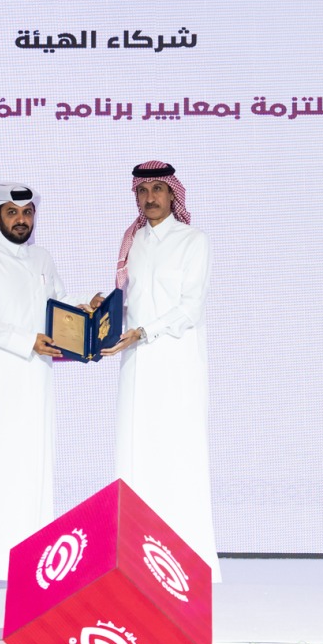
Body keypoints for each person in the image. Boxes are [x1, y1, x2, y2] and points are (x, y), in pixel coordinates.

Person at [0, 182, 96, 592]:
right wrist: (25, 340)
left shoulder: (42, 258)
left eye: (28, 212)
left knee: (33, 469)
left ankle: (33, 565)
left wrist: (88, 308)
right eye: (13, 212)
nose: (21, 220)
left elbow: (59, 304)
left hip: (35, 381)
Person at [104, 161, 221, 581]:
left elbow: (190, 309)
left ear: (173, 194)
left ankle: (187, 562)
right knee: (135, 454)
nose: (150, 197)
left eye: (158, 189)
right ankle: (134, 560)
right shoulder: (132, 241)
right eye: (143, 190)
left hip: (176, 364)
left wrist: (143, 331)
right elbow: (127, 303)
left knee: (177, 454)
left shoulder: (193, 241)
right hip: (136, 365)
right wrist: (97, 314)